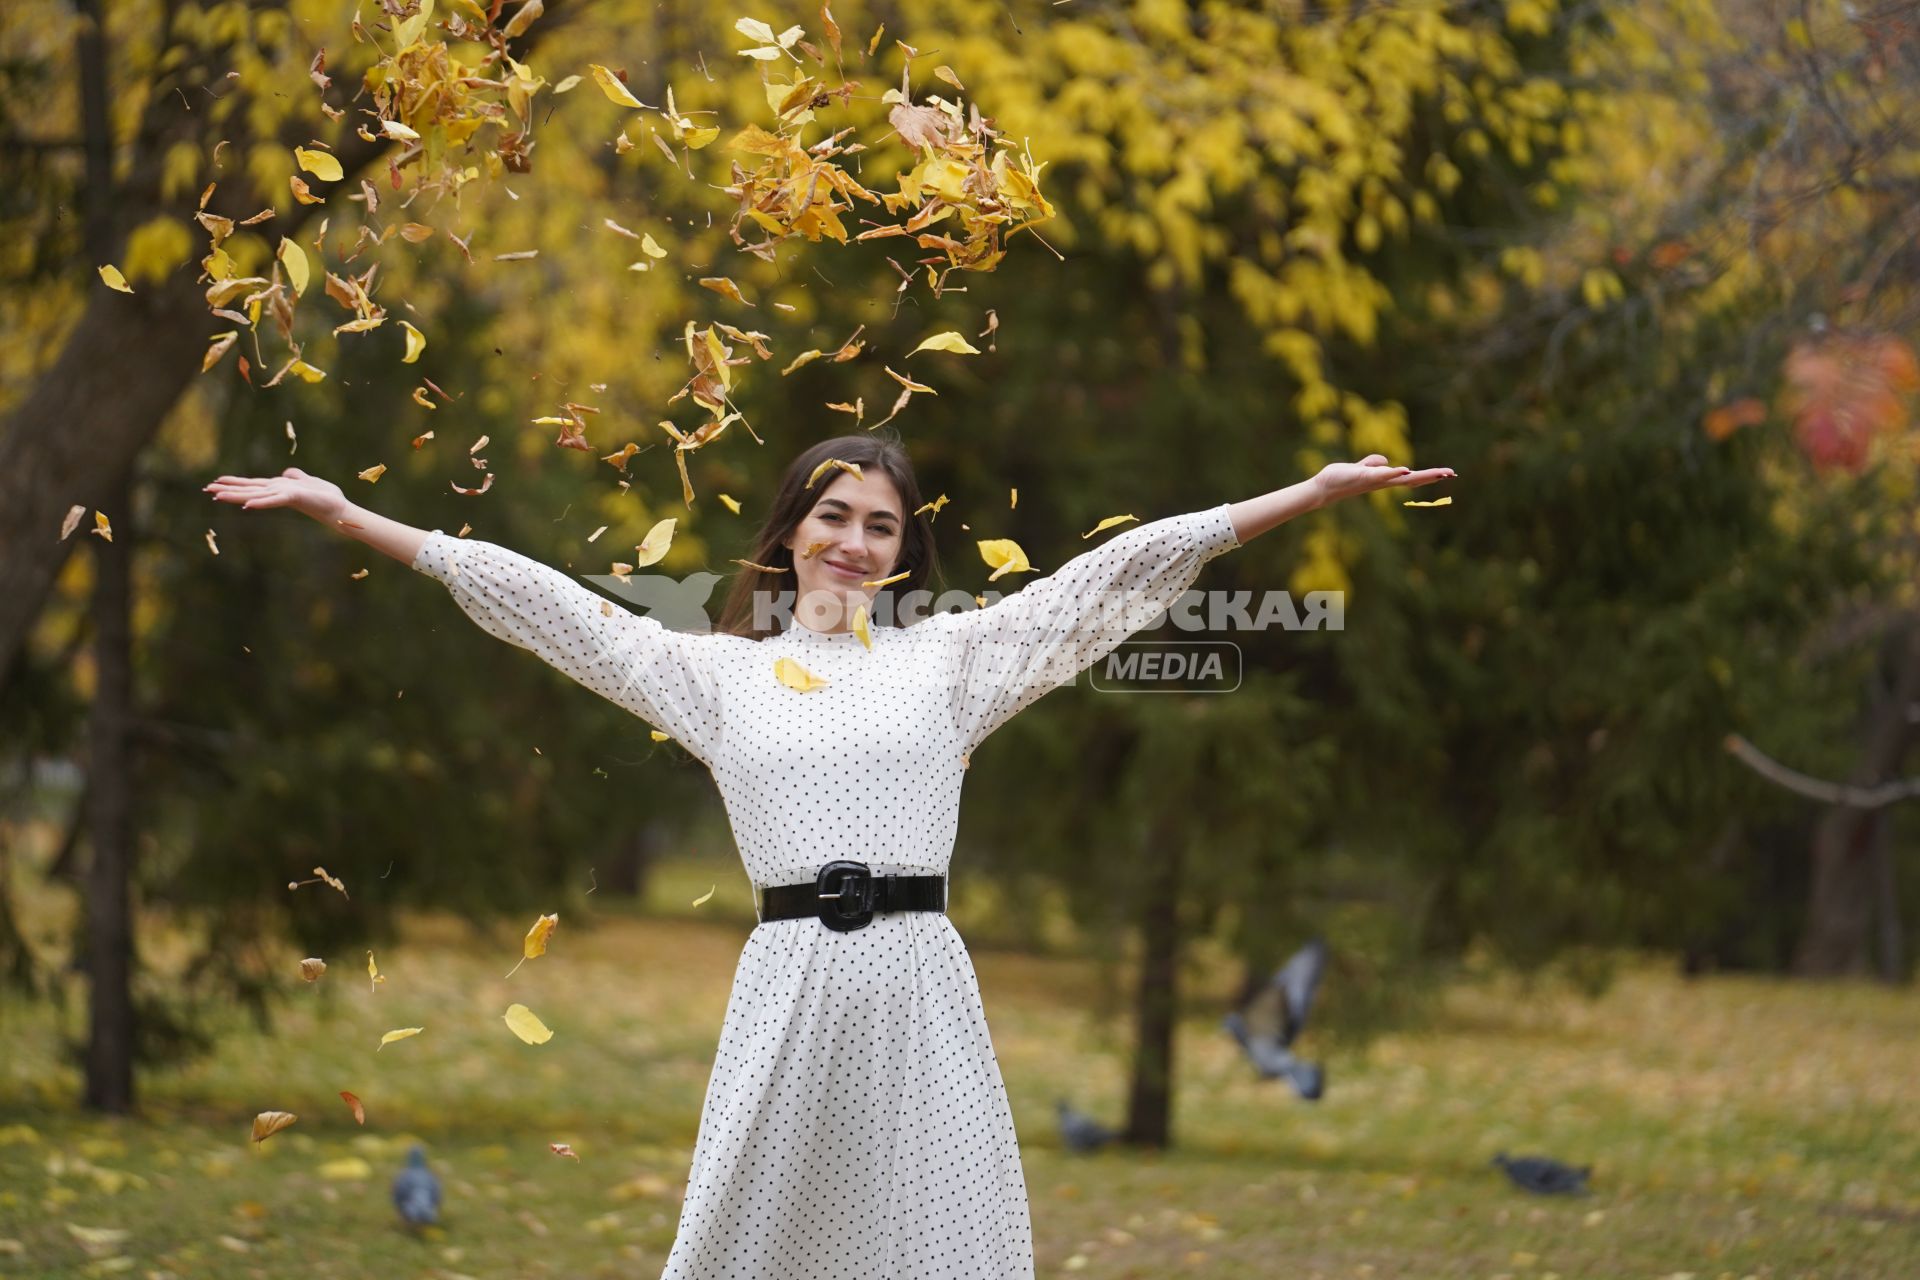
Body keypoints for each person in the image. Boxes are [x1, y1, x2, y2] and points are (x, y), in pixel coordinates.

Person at [203, 434, 1452, 1278]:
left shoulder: (951, 661)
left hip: (921, 991)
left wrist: (1307, 497)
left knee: (944, 1252)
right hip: (791, 990)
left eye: (881, 525)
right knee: (749, 1248)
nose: (855, 541)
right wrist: (345, 509)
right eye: (835, 515)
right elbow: (550, 608)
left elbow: (1109, 578)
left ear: (901, 551)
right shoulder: (711, 673)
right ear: (793, 528)